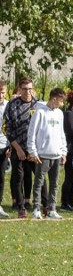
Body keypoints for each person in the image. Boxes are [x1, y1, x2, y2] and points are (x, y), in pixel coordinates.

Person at [27, 88, 67, 219]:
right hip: (42, 155)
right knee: (39, 182)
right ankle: (36, 209)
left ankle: (52, 210)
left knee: (54, 183)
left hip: (56, 154)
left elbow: (61, 133)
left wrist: (63, 151)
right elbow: (32, 133)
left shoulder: (60, 114)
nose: (62, 104)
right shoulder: (39, 112)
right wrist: (33, 152)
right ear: (54, 99)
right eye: (61, 101)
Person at [4, 77, 42, 218]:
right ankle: (20, 207)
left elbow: (42, 129)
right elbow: (7, 128)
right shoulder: (12, 105)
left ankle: (43, 205)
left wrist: (34, 150)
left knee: (40, 177)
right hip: (17, 146)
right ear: (19, 89)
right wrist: (18, 149)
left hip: (34, 148)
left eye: (30, 89)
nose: (28, 92)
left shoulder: (38, 104)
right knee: (18, 177)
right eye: (25, 89)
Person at [0, 80, 9, 218]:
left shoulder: (9, 105)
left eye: (2, 92)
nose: (0, 95)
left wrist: (10, 146)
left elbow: (12, 127)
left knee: (0, 177)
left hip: (3, 146)